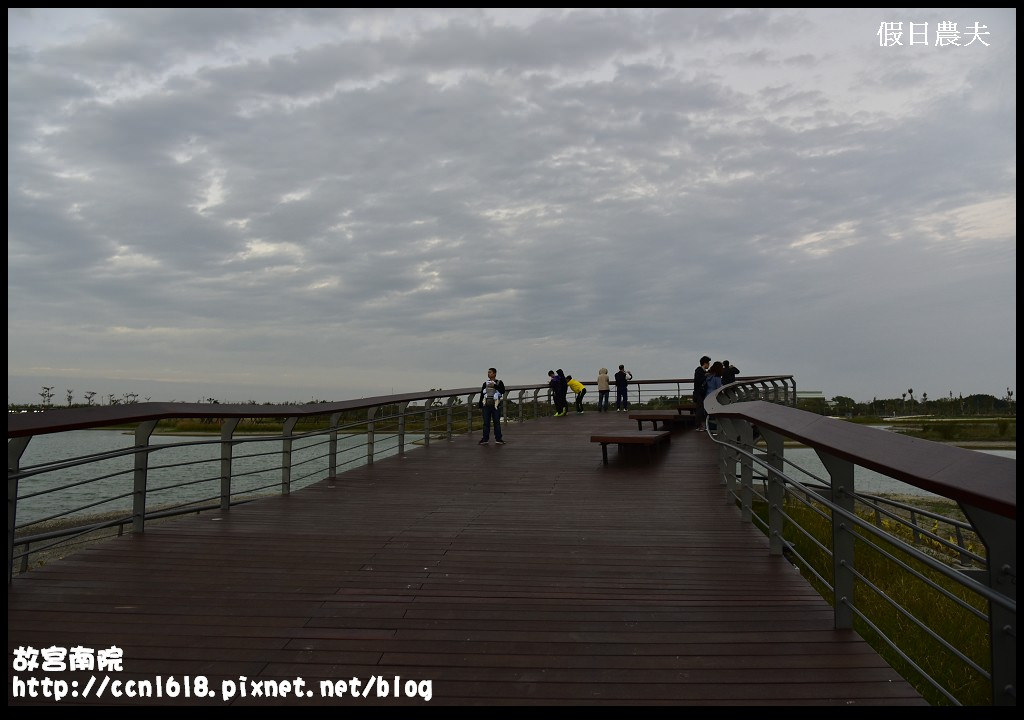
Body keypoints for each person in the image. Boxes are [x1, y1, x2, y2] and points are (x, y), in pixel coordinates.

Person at [478, 367, 506, 445]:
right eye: (488, 372)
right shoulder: (485, 383)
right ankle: (485, 439)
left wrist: (494, 386)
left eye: (490, 372)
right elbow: (482, 394)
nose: (488, 374)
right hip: (486, 405)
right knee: (486, 423)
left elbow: (503, 391)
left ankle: (498, 439)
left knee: (496, 422)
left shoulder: (499, 382)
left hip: (495, 405)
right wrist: (480, 405)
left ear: (494, 374)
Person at [704, 361, 724, 433]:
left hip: (707, 396)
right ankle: (715, 429)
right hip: (714, 397)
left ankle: (708, 427)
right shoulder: (717, 377)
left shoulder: (709, 376)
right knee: (715, 413)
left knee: (708, 413)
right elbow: (719, 389)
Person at [693, 355, 711, 431]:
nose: (709, 365)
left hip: (702, 393)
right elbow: (698, 381)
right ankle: (698, 426)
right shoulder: (698, 370)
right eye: (708, 363)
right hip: (699, 393)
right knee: (699, 410)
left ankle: (701, 426)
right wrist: (705, 376)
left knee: (701, 409)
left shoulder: (703, 371)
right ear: (705, 363)